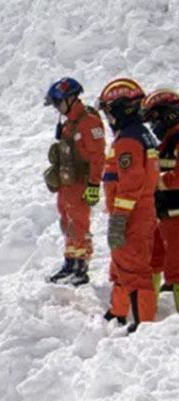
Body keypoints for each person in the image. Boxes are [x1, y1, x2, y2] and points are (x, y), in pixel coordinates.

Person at [97, 78, 161, 332]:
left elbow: (131, 181)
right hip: (141, 210)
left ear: (121, 109)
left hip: (132, 213)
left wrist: (120, 217)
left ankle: (143, 325)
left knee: (134, 270)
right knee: (122, 265)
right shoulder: (143, 135)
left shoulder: (128, 141)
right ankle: (118, 311)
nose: (108, 119)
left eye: (109, 112)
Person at [43, 77, 106, 285]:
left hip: (81, 182)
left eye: (58, 103)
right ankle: (70, 261)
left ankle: (81, 266)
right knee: (67, 221)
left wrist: (94, 185)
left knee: (79, 223)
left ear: (70, 98)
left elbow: (98, 157)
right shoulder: (70, 120)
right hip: (67, 184)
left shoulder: (88, 122)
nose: (57, 108)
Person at [142, 88, 179, 312]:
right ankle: (147, 311)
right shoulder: (164, 141)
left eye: (154, 117)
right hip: (161, 213)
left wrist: (159, 181)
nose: (152, 124)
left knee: (176, 267)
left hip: (176, 214)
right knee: (153, 260)